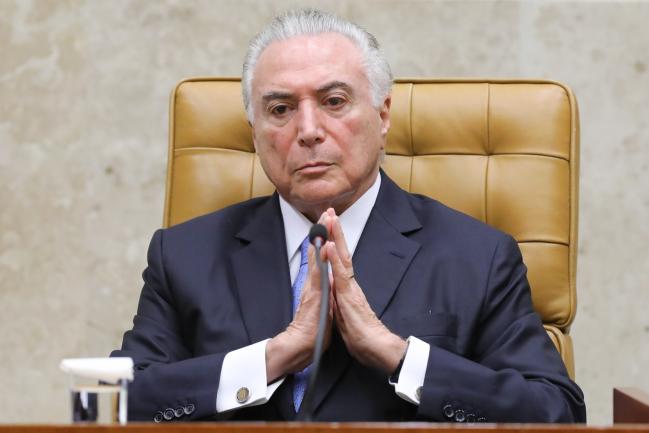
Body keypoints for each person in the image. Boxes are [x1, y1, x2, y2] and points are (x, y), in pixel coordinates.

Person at [111, 9, 586, 423]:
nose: (309, 130)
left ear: (383, 116)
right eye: (280, 109)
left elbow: (556, 412)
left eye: (334, 102)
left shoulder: (477, 256)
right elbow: (117, 405)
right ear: (254, 133)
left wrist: (399, 357)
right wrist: (271, 359)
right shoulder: (184, 255)